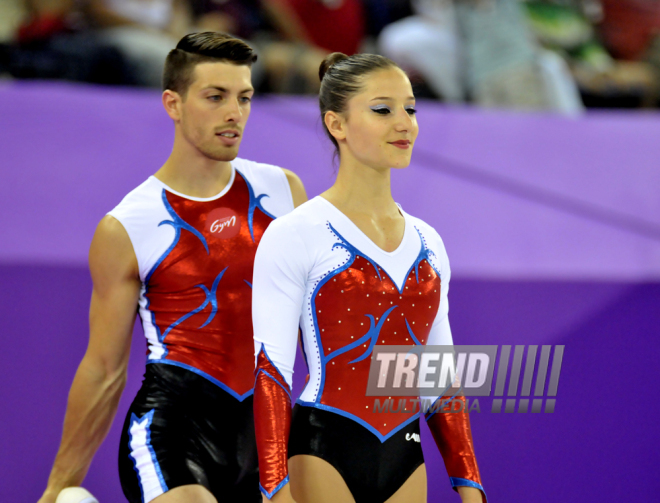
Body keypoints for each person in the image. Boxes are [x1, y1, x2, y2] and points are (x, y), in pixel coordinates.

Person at [38, 31, 307, 503]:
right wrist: (59, 486)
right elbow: (104, 370)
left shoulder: (284, 192)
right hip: (174, 430)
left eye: (244, 97)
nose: (234, 113)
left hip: (268, 437)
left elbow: (322, 323)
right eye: (215, 97)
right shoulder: (127, 225)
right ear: (173, 103)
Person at [251, 52, 486, 503]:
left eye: (410, 109)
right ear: (336, 124)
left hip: (404, 450)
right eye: (383, 110)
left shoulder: (429, 241)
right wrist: (273, 490)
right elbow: (271, 372)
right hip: (325, 446)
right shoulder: (296, 233)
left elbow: (440, 378)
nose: (405, 123)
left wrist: (470, 485)